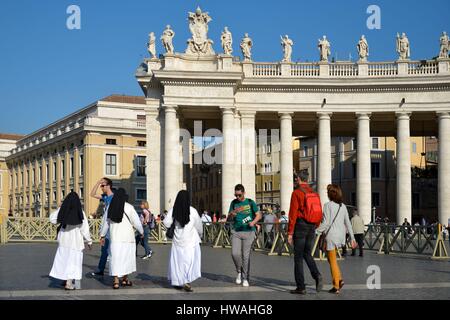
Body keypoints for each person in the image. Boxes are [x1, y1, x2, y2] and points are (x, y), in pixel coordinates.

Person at [316, 184, 357, 294]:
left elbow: (326, 223)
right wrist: (352, 238)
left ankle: (336, 285)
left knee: (332, 260)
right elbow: (348, 223)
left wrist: (316, 231)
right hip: (340, 235)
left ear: (330, 194)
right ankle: (339, 279)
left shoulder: (327, 205)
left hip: (331, 236)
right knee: (331, 259)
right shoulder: (342, 206)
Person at [100, 188, 143, 289]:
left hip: (115, 238)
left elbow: (105, 223)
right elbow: (136, 222)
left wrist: (102, 235)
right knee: (126, 258)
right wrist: (141, 232)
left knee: (115, 259)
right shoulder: (129, 207)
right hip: (128, 238)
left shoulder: (110, 207)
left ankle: (115, 281)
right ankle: (124, 279)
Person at [287, 171, 323, 295]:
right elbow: (319, 211)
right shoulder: (314, 193)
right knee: (307, 253)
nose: (294, 180)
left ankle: (301, 287)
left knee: (298, 258)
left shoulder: (297, 193)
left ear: (298, 179)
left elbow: (293, 214)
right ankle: (317, 275)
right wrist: (316, 225)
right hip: (312, 226)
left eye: (295, 178)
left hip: (300, 226)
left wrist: (290, 233)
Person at [49, 192, 92, 290]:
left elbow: (52, 219)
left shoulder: (63, 210)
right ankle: (69, 283)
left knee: (64, 260)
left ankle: (64, 279)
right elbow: (84, 229)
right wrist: (89, 241)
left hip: (64, 240)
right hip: (76, 242)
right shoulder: (80, 212)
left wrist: (59, 208)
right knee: (73, 262)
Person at [163, 190, 203, 292]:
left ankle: (177, 281)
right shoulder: (193, 211)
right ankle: (187, 281)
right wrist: (201, 234)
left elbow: (166, 223)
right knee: (189, 262)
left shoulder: (173, 210)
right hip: (190, 241)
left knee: (177, 262)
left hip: (177, 240)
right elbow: (199, 226)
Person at [228, 184, 262, 287]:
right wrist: (232, 214)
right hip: (236, 231)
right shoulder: (233, 203)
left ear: (243, 193)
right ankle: (239, 271)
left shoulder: (251, 202)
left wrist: (254, 222)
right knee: (234, 253)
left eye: (239, 195)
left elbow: (259, 215)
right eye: (236, 195)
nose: (237, 197)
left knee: (245, 256)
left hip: (249, 231)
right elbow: (229, 217)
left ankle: (245, 277)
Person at [90, 178, 114, 277]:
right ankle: (101, 269)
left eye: (103, 185)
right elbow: (92, 194)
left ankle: (117, 272)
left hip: (112, 226)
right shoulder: (104, 197)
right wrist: (98, 182)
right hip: (105, 227)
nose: (101, 187)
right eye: (101, 186)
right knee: (104, 249)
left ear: (108, 186)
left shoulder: (114, 197)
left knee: (113, 249)